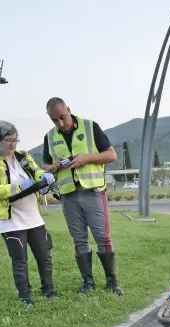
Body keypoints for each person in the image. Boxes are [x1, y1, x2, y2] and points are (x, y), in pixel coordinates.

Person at [42, 97, 123, 295]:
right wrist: (54, 166)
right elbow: (45, 167)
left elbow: (111, 155)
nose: (61, 123)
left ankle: (112, 282)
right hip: (69, 195)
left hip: (93, 192)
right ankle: (88, 283)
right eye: (55, 120)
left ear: (69, 110)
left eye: (63, 117)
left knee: (102, 237)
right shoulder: (50, 137)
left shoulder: (90, 127)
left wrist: (87, 158)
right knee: (79, 239)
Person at [0, 120, 57, 307]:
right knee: (20, 260)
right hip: (11, 221)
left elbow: (37, 171)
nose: (13, 144)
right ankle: (25, 297)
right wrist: (17, 186)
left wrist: (44, 177)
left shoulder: (23, 157)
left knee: (44, 256)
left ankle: (49, 291)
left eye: (15, 139)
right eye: (8, 140)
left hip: (33, 217)